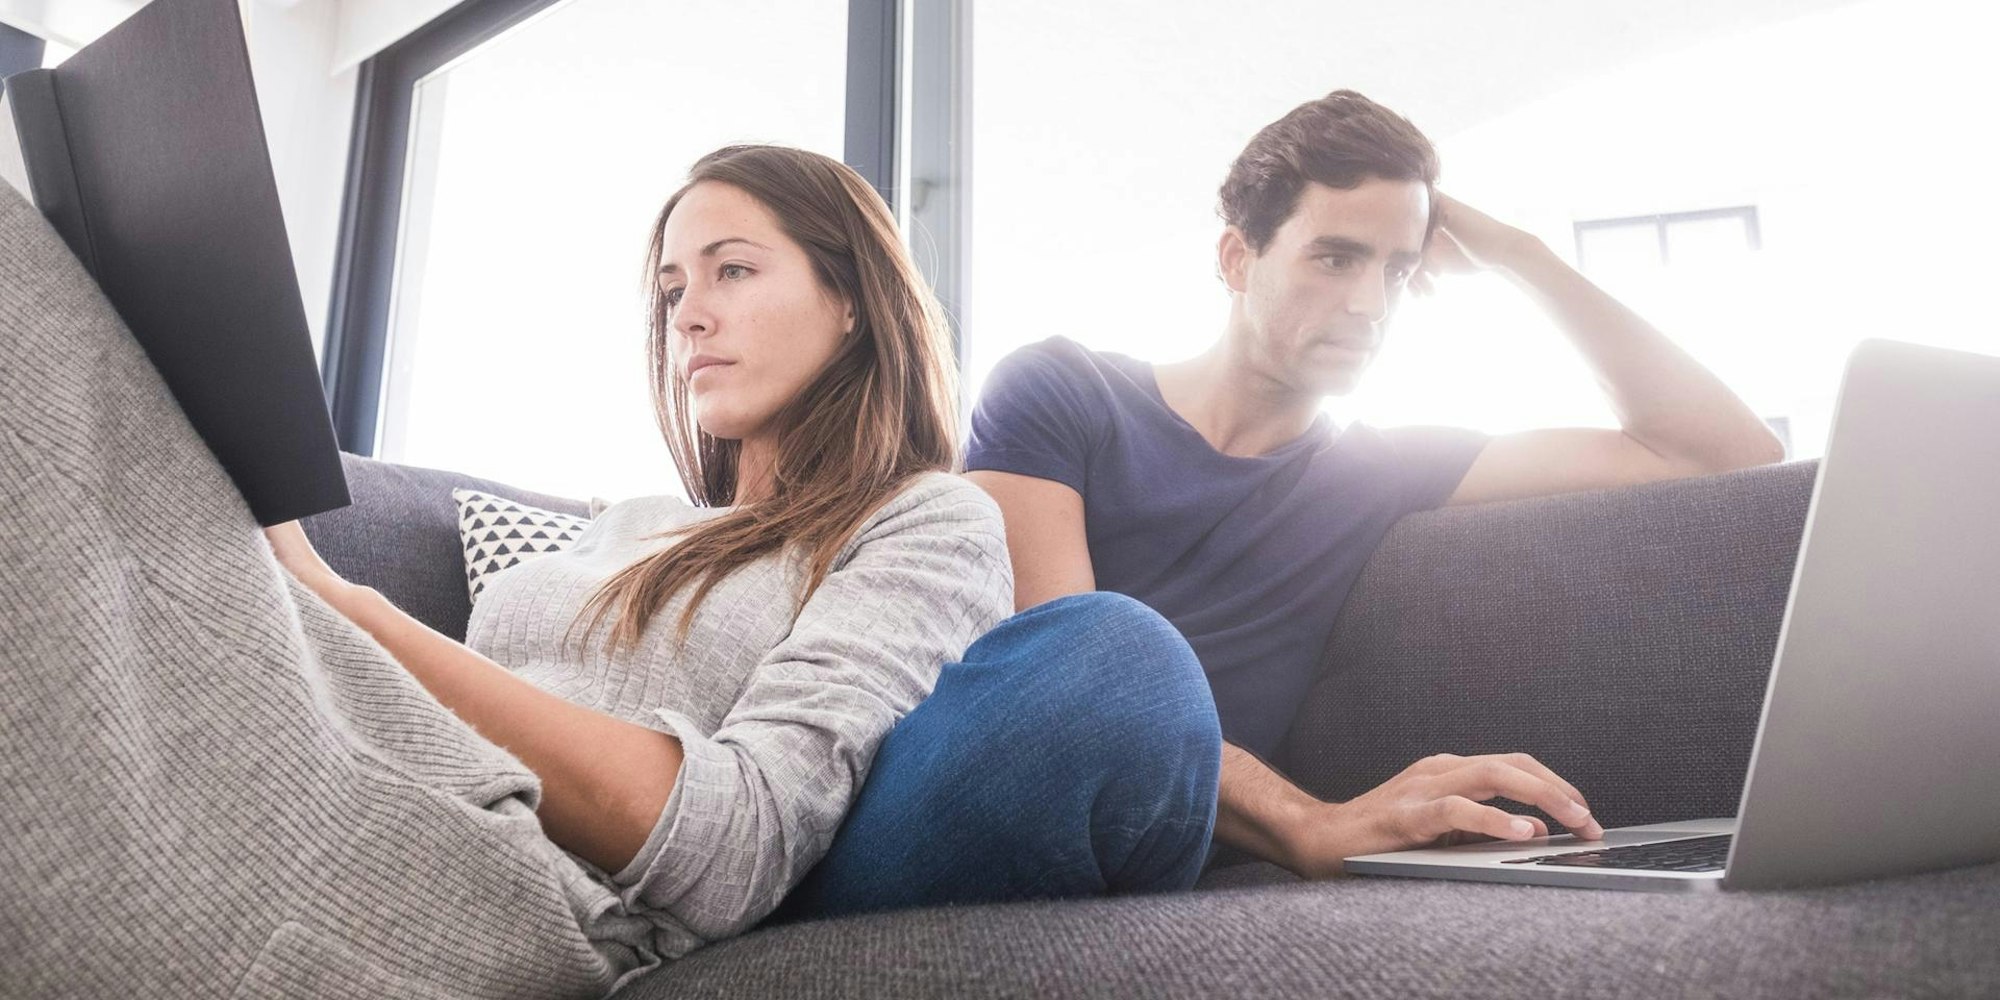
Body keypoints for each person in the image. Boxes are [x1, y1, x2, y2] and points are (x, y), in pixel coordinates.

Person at [1, 145, 1217, 997]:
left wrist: (339, 603)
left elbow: (733, 847)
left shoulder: (920, 519)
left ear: (851, 301)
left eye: (733, 270)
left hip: (524, 879)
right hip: (364, 754)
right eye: (673, 288)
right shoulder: (626, 520)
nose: (687, 313)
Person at [963, 90, 1787, 880]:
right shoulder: (1063, 390)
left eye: (1398, 270)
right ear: (1237, 258)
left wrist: (1519, 255)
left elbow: (1726, 451)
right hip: (986, 798)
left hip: (1148, 850)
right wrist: (1307, 822)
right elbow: (1063, 685)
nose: (1371, 304)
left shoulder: (1376, 470)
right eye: (1335, 258)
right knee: (1102, 642)